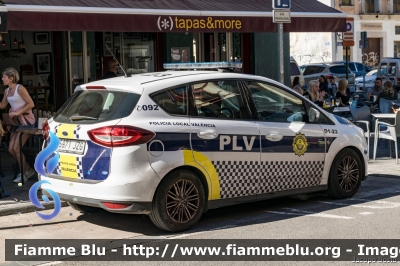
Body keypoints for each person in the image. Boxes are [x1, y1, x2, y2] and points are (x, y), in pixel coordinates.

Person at [0, 67, 36, 183]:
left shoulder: (20, 89)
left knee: (16, 148)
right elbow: (2, 106)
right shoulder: (6, 91)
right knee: (11, 149)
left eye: (4, 77)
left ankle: (24, 173)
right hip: (16, 122)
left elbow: (31, 104)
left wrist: (17, 112)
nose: (2, 79)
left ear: (11, 78)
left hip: (26, 120)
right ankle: (28, 169)